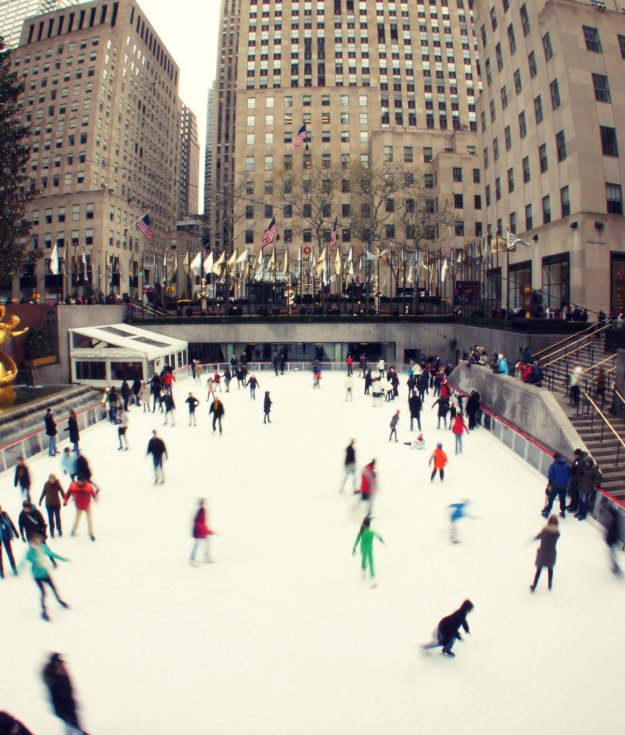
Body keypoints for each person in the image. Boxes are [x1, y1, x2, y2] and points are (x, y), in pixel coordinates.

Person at [19, 534, 69, 621]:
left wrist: (63, 559)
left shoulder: (43, 547)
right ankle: (44, 611)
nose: (37, 541)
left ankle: (59, 600)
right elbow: (24, 562)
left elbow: (51, 554)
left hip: (45, 573)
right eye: (35, 540)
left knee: (53, 588)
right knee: (43, 593)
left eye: (38, 539)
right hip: (37, 575)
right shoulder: (30, 552)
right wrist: (18, 570)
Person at [43, 653, 88, 734]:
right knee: (73, 726)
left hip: (68, 703)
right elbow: (56, 690)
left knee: (73, 726)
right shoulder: (52, 675)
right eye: (59, 663)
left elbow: (69, 687)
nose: (61, 665)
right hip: (62, 705)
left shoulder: (61, 673)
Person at [352, 515, 385, 587]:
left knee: (365, 559)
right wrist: (381, 540)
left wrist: (354, 548)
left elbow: (357, 540)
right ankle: (372, 579)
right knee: (370, 562)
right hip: (369, 548)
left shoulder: (362, 531)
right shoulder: (371, 531)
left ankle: (364, 571)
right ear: (369, 524)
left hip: (364, 548)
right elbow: (378, 536)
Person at [530, 515, 560, 592]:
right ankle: (550, 585)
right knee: (550, 570)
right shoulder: (557, 534)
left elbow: (538, 537)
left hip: (543, 553)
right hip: (551, 554)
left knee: (538, 571)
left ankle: (534, 586)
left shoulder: (544, 532)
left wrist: (532, 538)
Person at [64, 476, 98, 542]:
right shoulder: (73, 486)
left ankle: (91, 534)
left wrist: (95, 498)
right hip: (78, 506)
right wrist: (65, 501)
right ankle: (73, 530)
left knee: (89, 521)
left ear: (83, 481)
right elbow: (68, 493)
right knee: (77, 520)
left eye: (81, 481)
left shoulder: (88, 486)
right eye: (79, 481)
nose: (80, 482)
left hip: (87, 506)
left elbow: (93, 493)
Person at [542, 452, 570, 519]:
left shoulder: (553, 465)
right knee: (562, 498)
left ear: (554, 458)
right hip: (564, 485)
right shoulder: (566, 465)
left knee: (551, 498)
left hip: (555, 485)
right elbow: (568, 474)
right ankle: (563, 511)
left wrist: (550, 483)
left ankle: (547, 511)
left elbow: (550, 475)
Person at [39, 474, 66, 538]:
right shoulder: (46, 484)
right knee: (50, 518)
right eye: (51, 479)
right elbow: (43, 493)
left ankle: (59, 530)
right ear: (49, 479)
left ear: (55, 479)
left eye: (53, 479)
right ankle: (52, 531)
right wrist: (40, 500)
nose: (52, 480)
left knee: (57, 518)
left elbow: (62, 492)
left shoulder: (58, 484)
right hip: (49, 504)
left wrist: (65, 500)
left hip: (56, 504)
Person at [190, 499, 214, 566]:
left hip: (202, 531)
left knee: (207, 542)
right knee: (197, 544)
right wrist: (207, 531)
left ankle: (206, 557)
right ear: (200, 504)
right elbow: (198, 523)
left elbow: (202, 523)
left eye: (204, 503)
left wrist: (207, 531)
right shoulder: (200, 511)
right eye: (202, 503)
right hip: (199, 531)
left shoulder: (202, 510)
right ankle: (192, 559)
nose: (203, 504)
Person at [0, 505, 19, 578]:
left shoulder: (5, 514)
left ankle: (14, 567)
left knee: (10, 553)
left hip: (6, 537)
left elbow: (11, 523)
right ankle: (1, 571)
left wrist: (16, 532)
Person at [566, 448, 587, 513]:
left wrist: (573, 471)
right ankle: (571, 505)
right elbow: (573, 467)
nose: (575, 456)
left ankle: (574, 507)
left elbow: (578, 470)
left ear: (579, 455)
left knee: (576, 494)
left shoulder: (581, 461)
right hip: (574, 479)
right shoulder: (577, 460)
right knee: (573, 492)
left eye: (576, 455)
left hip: (577, 480)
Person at [605, 504, 622, 576]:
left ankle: (616, 568)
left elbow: (612, 533)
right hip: (612, 541)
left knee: (612, 555)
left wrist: (609, 540)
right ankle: (615, 567)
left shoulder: (614, 522)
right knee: (612, 555)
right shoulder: (615, 520)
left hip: (612, 541)